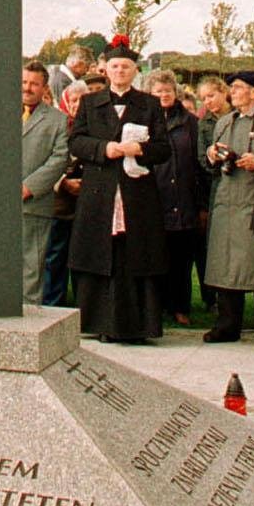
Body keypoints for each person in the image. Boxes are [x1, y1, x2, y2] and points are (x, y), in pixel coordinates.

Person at [67, 37, 169, 343]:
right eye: (115, 66)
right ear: (106, 69)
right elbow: (76, 141)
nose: (120, 71)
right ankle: (99, 323)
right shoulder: (89, 103)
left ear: (135, 70)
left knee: (133, 255)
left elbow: (164, 148)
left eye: (125, 66)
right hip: (99, 193)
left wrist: (141, 149)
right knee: (99, 254)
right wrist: (104, 148)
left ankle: (136, 326)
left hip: (136, 194)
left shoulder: (150, 104)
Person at [201, 70, 254, 345]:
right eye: (231, 87)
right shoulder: (225, 121)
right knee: (225, 264)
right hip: (227, 199)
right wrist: (212, 154)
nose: (232, 92)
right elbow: (209, 161)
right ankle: (227, 325)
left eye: (238, 87)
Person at [144, 71, 201, 328]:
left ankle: (180, 306)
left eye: (168, 90)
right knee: (155, 256)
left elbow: (199, 163)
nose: (164, 95)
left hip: (184, 198)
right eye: (158, 91)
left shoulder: (190, 122)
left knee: (181, 258)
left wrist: (200, 203)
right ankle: (155, 306)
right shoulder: (143, 121)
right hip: (154, 197)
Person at [20, 62, 69, 306]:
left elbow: (59, 158)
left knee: (31, 267)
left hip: (34, 204)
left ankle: (28, 316)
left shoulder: (57, 120)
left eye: (34, 84)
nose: (27, 88)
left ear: (44, 88)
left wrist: (29, 187)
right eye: (23, 82)